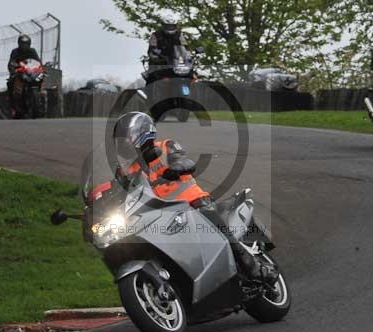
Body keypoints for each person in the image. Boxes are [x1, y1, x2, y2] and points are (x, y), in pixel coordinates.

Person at [112, 111, 278, 284]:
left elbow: (186, 162)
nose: (122, 143)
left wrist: (175, 168)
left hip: (193, 203)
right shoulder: (128, 171)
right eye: (119, 140)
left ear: (141, 132)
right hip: (163, 215)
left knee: (207, 217)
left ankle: (251, 265)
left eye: (125, 137)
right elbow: (118, 192)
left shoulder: (165, 147)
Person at [7, 34, 42, 116]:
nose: (24, 46)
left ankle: (40, 95)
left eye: (26, 44)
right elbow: (11, 61)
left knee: (41, 77)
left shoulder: (32, 51)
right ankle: (11, 103)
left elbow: (37, 61)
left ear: (29, 44)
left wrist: (40, 66)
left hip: (30, 71)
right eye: (22, 44)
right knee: (11, 82)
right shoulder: (15, 51)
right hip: (19, 71)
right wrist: (13, 66)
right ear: (19, 44)